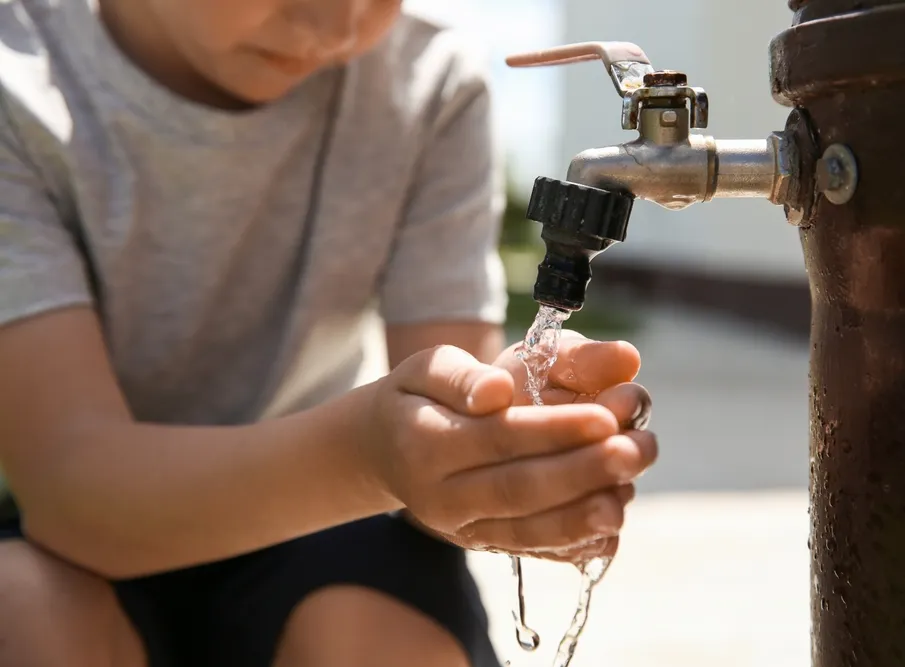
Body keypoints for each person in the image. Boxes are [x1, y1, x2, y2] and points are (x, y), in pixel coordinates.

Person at [0, 0, 658, 666]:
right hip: (76, 529)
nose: (337, 29)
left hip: (315, 518)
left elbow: (453, 406)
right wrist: (367, 456)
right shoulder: (18, 81)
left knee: (380, 641)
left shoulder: (425, 78)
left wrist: (488, 442)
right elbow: (70, 492)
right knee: (23, 609)